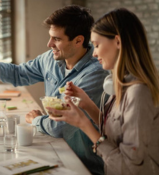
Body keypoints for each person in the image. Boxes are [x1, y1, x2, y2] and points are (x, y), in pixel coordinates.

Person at [0, 5, 108, 175]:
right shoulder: (50, 58)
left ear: (78, 40)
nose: (49, 44)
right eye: (50, 37)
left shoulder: (96, 74)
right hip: (56, 149)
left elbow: (60, 126)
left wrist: (37, 120)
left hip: (83, 164)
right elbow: (19, 74)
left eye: (57, 39)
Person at [47, 8, 159, 175]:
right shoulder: (120, 85)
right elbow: (116, 133)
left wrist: (83, 124)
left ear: (118, 42)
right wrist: (88, 105)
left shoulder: (138, 93)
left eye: (97, 45)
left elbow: (129, 168)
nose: (94, 53)